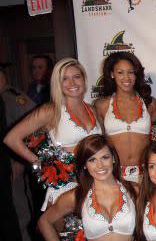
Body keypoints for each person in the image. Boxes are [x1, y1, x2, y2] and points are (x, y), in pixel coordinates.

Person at [3, 58, 102, 210]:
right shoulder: (51, 111)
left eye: (76, 77)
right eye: (65, 79)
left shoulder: (93, 110)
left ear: (84, 79)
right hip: (65, 187)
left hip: (95, 182)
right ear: (58, 83)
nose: (72, 83)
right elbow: (11, 138)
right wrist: (39, 164)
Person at [95, 52, 156, 184]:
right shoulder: (102, 105)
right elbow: (98, 144)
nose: (126, 77)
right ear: (112, 74)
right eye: (120, 72)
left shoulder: (150, 103)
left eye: (131, 72)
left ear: (136, 74)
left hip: (146, 177)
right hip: (115, 176)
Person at [0, 66, 35, 241]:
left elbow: (32, 133)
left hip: (12, 164)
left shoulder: (15, 98)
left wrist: (21, 162)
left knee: (18, 208)